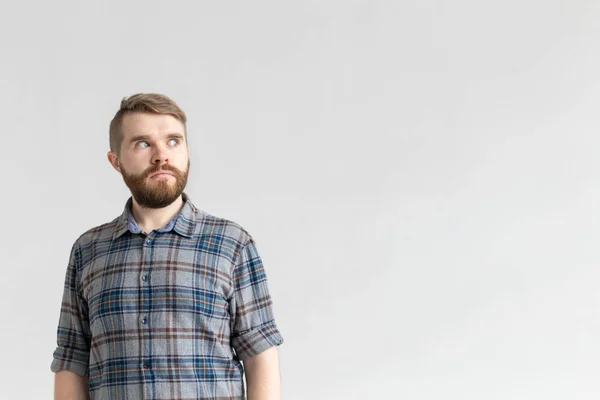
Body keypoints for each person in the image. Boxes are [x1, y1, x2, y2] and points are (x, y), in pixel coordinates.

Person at [51, 93, 284, 400]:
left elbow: (260, 355)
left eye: (173, 141)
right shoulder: (88, 250)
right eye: (143, 143)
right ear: (116, 161)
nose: (162, 155)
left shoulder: (232, 244)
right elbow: (72, 359)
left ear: (187, 151)